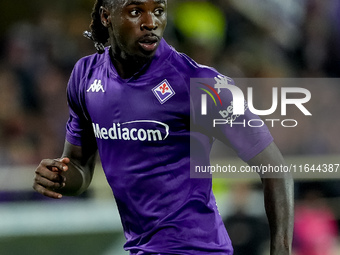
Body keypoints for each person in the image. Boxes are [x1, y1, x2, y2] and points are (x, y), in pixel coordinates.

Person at [33, 0, 294, 254]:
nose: (151, 23)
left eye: (158, 11)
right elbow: (79, 166)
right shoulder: (85, 76)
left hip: (196, 250)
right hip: (141, 249)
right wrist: (61, 178)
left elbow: (276, 169)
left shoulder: (201, 83)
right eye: (136, 11)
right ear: (106, 17)